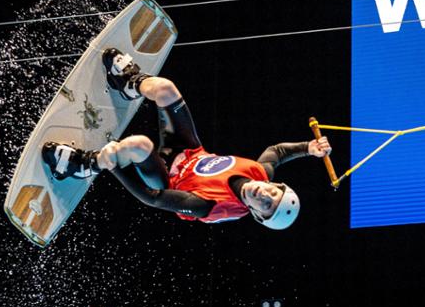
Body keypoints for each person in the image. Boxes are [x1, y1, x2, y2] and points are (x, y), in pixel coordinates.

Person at [42, 48, 331, 230]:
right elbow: (276, 151)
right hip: (188, 150)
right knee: (166, 88)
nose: (264, 195)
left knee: (136, 146)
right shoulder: (260, 173)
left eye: (267, 205)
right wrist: (309, 148)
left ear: (256, 214)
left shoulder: (210, 206)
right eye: (272, 193)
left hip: (166, 178)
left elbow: (153, 198)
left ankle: (85, 165)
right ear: (273, 185)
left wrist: (114, 166)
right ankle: (128, 84)